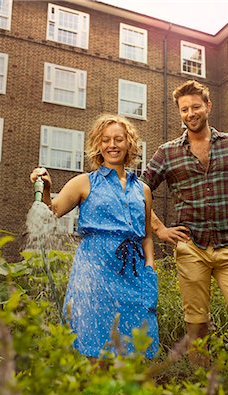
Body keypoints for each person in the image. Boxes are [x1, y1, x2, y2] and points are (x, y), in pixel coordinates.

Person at [140, 80, 228, 364]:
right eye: (185, 109)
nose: (191, 113)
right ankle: (203, 392)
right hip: (191, 248)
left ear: (208, 107)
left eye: (196, 107)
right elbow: (139, 191)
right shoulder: (167, 152)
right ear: (180, 112)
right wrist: (159, 228)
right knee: (197, 330)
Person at [30, 114, 159, 360]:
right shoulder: (83, 183)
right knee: (94, 342)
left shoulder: (143, 190)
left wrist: (150, 267)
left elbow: (146, 236)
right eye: (106, 140)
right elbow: (52, 211)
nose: (112, 145)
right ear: (98, 145)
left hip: (133, 274)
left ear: (129, 144)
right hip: (95, 272)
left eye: (119, 139)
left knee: (134, 346)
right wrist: (46, 188)